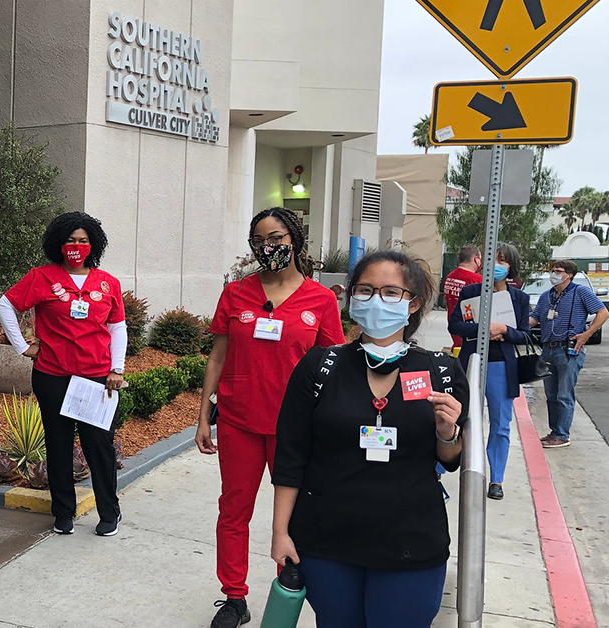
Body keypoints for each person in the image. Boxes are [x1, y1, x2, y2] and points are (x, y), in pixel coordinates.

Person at [271, 250, 469, 628]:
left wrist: (448, 433)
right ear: (351, 298)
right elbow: (291, 456)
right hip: (326, 541)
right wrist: (280, 532)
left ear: (413, 304)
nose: (376, 299)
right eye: (365, 290)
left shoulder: (441, 371)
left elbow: (451, 459)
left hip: (410, 543)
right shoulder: (320, 367)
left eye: (391, 292)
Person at [195, 207, 345, 628]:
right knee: (234, 510)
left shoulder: (321, 299)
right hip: (240, 420)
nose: (268, 247)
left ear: (294, 239)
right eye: (260, 240)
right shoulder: (236, 294)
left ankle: (289, 588)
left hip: (296, 429)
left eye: (276, 237)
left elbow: (334, 365)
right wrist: (204, 414)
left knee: (294, 517)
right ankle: (234, 597)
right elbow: (218, 356)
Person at [0, 211, 127, 537]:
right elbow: (4, 305)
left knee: (99, 446)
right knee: (58, 445)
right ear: (59, 243)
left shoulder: (108, 282)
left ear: (92, 244)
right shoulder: (42, 277)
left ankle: (109, 512)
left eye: (83, 241)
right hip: (52, 375)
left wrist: (117, 368)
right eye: (70, 240)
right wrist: (22, 347)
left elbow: (118, 327)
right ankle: (63, 512)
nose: (76, 246)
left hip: (96, 378)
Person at [448, 243, 530, 500]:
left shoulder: (520, 298)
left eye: (503, 261)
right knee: (458, 416)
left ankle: (496, 479)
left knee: (500, 424)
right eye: (493, 259)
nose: (497, 265)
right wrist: (483, 329)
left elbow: (525, 334)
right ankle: (440, 468)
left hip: (501, 366)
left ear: (511, 266)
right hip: (471, 364)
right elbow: (456, 325)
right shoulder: (471, 292)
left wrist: (504, 330)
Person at [530, 259, 608, 448]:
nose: (554, 274)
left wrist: (586, 334)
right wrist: (510, 327)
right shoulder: (547, 296)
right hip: (548, 349)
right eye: (552, 270)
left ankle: (562, 434)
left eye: (558, 271)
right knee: (551, 393)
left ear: (569, 275)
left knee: (564, 394)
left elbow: (603, 312)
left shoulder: (580, 292)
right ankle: (554, 431)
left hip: (568, 350)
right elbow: (535, 319)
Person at [442, 245, 482, 353]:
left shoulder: (449, 277)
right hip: (470, 331)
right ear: (476, 259)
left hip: (454, 327)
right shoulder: (477, 279)